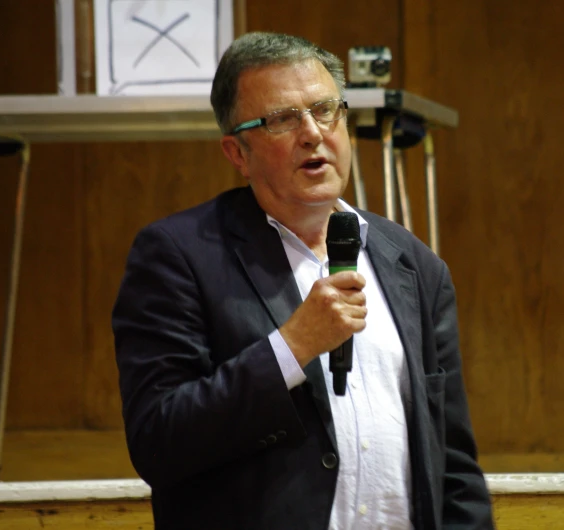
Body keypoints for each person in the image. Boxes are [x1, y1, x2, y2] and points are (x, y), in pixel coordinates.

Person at [112, 31, 495, 530]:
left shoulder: (415, 265)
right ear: (237, 152)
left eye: (325, 109)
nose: (312, 132)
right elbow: (158, 442)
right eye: (282, 119)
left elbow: (453, 467)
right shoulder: (178, 256)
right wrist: (291, 348)